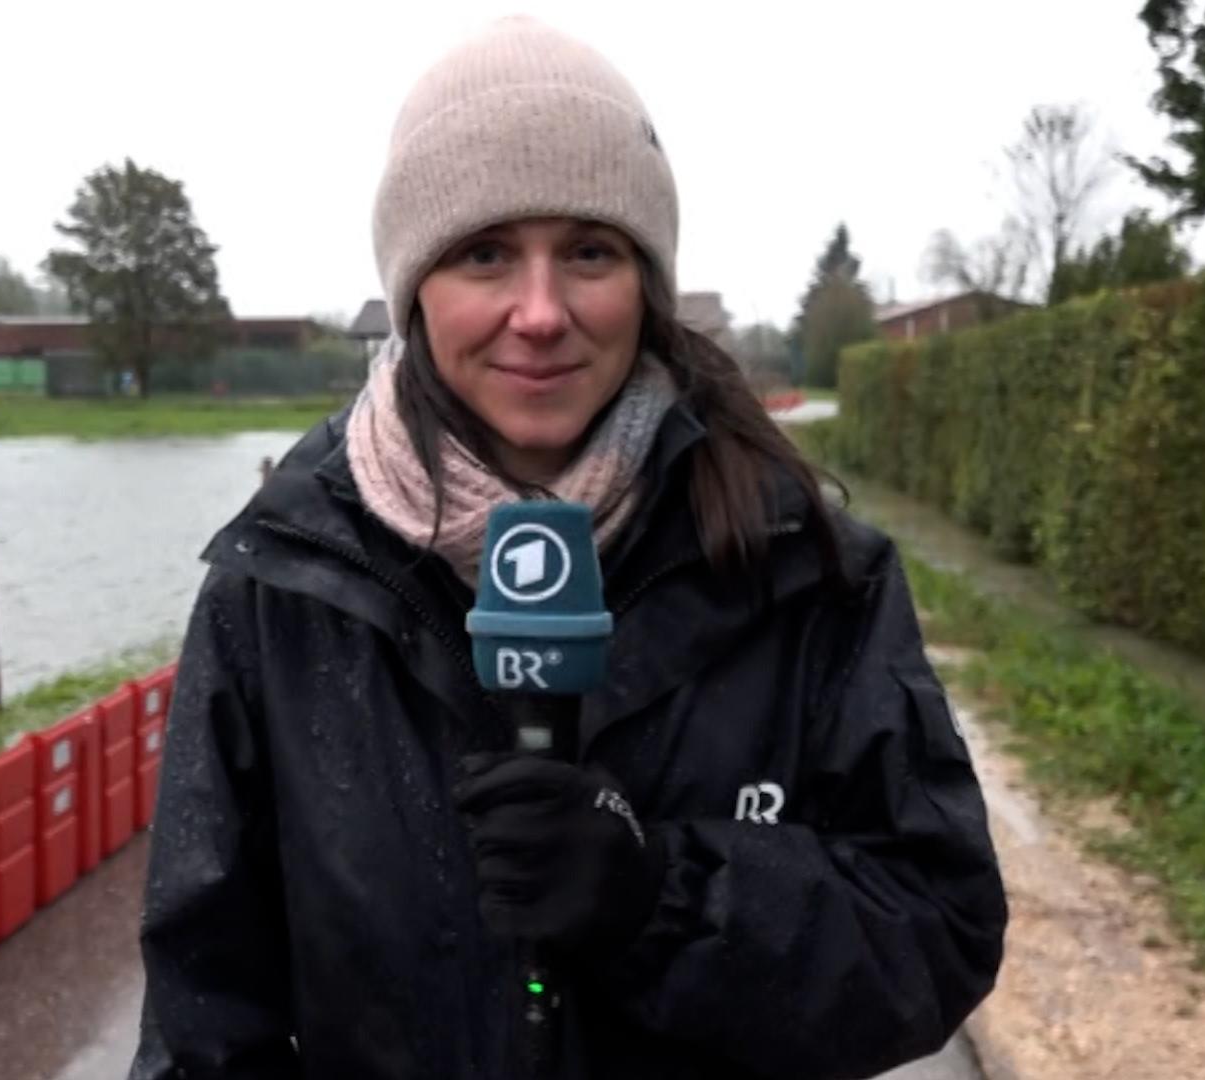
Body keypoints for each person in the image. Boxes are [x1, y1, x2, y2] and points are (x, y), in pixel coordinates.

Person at [129, 17, 1005, 1080]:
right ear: (415, 293)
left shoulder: (811, 573)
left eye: (588, 252)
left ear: (645, 283)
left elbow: (935, 935)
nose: (538, 313)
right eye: (484, 253)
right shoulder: (281, 585)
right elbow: (203, 1015)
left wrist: (662, 897)